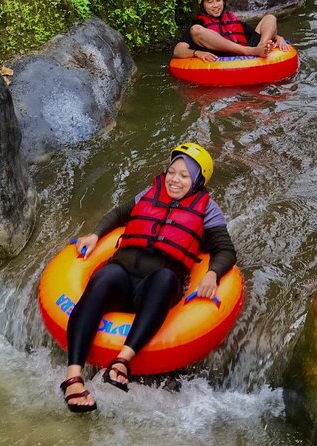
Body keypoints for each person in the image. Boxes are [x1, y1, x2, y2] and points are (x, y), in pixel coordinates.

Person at [59, 143, 237, 413]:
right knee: (104, 276)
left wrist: (212, 274)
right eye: (172, 172)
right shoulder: (149, 193)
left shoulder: (208, 210)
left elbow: (225, 250)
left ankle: (122, 362)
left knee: (165, 278)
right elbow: (119, 213)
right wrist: (95, 234)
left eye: (184, 176)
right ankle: (73, 378)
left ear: (198, 180)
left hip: (155, 286)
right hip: (122, 274)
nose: (175, 180)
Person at [173, 0, 289, 62]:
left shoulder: (232, 20)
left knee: (270, 18)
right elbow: (178, 51)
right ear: (203, 6)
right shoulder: (199, 24)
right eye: (209, 2)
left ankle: (261, 48)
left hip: (251, 52)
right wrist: (197, 53)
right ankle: (251, 51)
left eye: (218, 0)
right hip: (224, 57)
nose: (215, 5)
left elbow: (261, 31)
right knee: (196, 30)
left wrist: (278, 38)